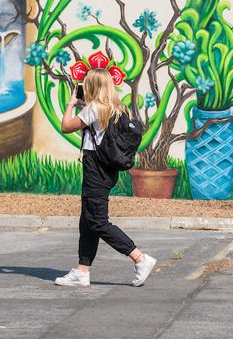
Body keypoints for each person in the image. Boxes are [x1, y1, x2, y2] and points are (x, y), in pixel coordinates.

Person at [54, 68, 156, 287]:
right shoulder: (118, 108)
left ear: (93, 86)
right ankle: (82, 270)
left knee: (97, 221)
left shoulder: (94, 109)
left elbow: (65, 126)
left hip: (95, 169)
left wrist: (72, 103)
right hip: (106, 169)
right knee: (87, 222)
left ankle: (139, 258)